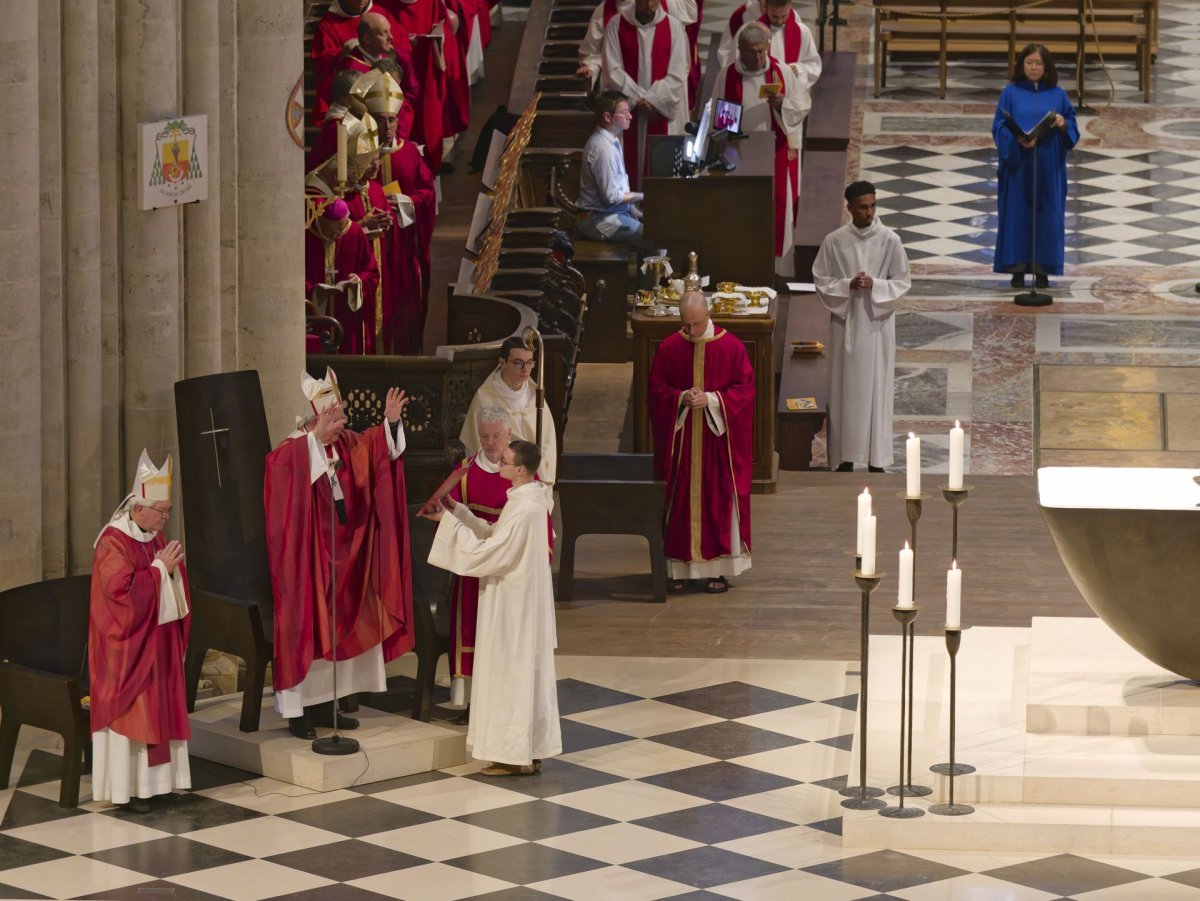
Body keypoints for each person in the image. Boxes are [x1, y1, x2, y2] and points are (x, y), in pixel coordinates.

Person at [264, 368, 415, 740]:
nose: (342, 425)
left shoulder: (346, 443)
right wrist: (314, 441)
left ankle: (329, 705)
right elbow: (279, 475)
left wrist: (391, 423)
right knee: (308, 628)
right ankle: (299, 712)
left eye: (342, 416)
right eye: (334, 419)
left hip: (347, 555)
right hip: (309, 559)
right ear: (315, 418)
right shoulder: (292, 450)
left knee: (344, 626)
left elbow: (377, 447)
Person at [428, 439, 561, 776]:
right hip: (516, 603)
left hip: (513, 609)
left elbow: (492, 554)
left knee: (510, 677)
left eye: (505, 461)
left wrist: (449, 532)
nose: (499, 464)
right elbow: (493, 535)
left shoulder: (527, 509)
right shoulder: (524, 502)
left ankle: (512, 755)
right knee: (517, 677)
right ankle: (526, 751)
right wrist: (457, 512)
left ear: (520, 470)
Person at [89, 451, 191, 813]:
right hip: (126, 648)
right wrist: (161, 571)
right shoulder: (112, 542)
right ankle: (128, 789)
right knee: (137, 707)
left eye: (167, 511)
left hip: (157, 640)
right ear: (138, 508)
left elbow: (167, 577)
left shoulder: (154, 535)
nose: (166, 518)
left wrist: (172, 572)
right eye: (162, 511)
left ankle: (160, 784)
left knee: (160, 702)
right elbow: (119, 595)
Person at [648, 291, 755, 594]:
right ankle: (677, 567)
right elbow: (656, 390)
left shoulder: (731, 347)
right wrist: (680, 398)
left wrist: (711, 399)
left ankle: (718, 571)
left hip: (716, 444)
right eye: (686, 325)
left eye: (696, 324)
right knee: (679, 501)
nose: (691, 332)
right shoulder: (670, 348)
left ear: (708, 314)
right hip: (681, 445)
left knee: (716, 502)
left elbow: (745, 392)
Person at [813, 181, 912, 473]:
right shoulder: (835, 241)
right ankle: (844, 456)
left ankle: (876, 458)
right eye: (863, 207)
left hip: (877, 325)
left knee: (877, 390)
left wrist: (875, 285)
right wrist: (847, 285)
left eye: (872, 206)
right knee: (843, 389)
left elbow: (902, 282)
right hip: (846, 323)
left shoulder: (890, 240)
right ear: (850, 208)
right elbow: (821, 279)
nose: (869, 213)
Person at [715, 22, 811, 276]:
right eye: (751, 52)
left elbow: (802, 106)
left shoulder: (780, 71)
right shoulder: (727, 76)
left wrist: (781, 104)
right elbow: (719, 117)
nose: (757, 57)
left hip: (774, 152)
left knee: (777, 208)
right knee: (744, 213)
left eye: (761, 51)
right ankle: (744, 267)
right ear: (740, 50)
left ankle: (777, 271)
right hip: (740, 155)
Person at [355, 67, 437, 352]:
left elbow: (427, 193)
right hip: (374, 245)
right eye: (380, 120)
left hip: (404, 245)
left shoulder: (411, 152)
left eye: (391, 119)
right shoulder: (360, 154)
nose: (387, 126)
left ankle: (406, 353)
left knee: (405, 305)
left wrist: (408, 202)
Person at [992, 43, 1079, 289]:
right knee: (1016, 216)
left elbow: (1072, 125)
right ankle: (1016, 269)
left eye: (1038, 63)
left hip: (1047, 167)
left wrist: (1062, 123)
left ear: (1047, 66)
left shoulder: (1058, 94)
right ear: (1021, 66)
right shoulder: (1009, 93)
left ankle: (1043, 270)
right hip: (1018, 166)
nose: (1033, 67)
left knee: (1047, 216)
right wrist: (1016, 139)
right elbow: (998, 126)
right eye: (1029, 62)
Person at [601, 0, 690, 188]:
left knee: (661, 176)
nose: (650, 4)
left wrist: (652, 100)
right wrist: (638, 99)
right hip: (629, 113)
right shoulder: (616, 25)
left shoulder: (674, 27)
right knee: (626, 170)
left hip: (659, 113)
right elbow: (612, 69)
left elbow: (678, 72)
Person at [460, 336, 558, 484]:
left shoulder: (535, 395)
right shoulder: (485, 398)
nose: (526, 369)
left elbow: (548, 442)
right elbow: (476, 447)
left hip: (535, 478)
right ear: (502, 362)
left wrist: (540, 476)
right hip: (501, 479)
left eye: (530, 363)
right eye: (518, 363)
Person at [304, 197, 380, 355]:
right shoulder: (308, 235)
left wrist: (358, 281)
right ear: (320, 221)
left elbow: (372, 272)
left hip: (346, 315)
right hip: (315, 317)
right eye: (330, 231)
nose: (335, 236)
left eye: (340, 230)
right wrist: (314, 290)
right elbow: (292, 277)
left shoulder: (354, 233)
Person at [311, 0, 400, 126]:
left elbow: (401, 44)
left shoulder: (380, 14)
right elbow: (321, 60)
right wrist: (342, 52)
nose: (361, 1)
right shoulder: (329, 22)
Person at [576, 91, 647, 246]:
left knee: (654, 231)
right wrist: (642, 195)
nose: (630, 117)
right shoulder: (604, 149)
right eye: (624, 113)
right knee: (651, 237)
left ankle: (649, 270)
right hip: (596, 221)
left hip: (608, 214)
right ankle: (652, 271)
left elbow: (618, 185)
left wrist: (632, 209)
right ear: (608, 117)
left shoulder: (611, 140)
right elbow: (611, 197)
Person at [576, 0, 697, 86]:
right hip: (622, 92)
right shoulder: (604, 11)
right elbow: (593, 51)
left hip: (664, 92)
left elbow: (692, 13)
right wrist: (591, 67)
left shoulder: (665, 4)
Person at [718, 0, 821, 89]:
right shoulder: (748, 31)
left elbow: (813, 65)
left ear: (790, 6)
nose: (779, 21)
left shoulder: (802, 31)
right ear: (766, 7)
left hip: (789, 98)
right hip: (756, 95)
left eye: (784, 16)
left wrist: (798, 70)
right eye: (774, 16)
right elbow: (733, 66)